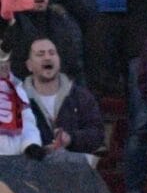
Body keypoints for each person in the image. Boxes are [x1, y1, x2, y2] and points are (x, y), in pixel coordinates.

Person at [20, 37, 107, 166]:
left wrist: (71, 138)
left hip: (74, 172)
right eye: (40, 54)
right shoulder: (18, 98)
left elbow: (97, 134)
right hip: (32, 171)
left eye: (52, 53)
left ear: (59, 60)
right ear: (29, 65)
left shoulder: (80, 95)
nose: (47, 57)